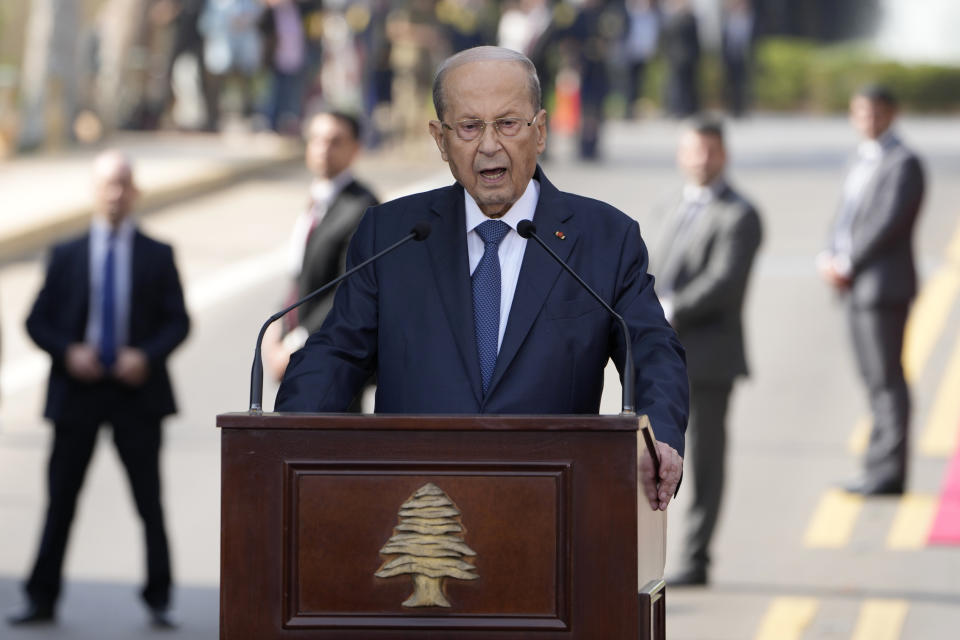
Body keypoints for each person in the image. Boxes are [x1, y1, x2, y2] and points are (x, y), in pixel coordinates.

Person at [275, 46, 688, 512]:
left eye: (509, 124)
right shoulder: (393, 235)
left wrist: (661, 438)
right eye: (469, 127)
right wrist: (282, 439)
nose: (490, 145)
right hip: (414, 520)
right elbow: (335, 353)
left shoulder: (605, 238)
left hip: (556, 511)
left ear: (541, 131)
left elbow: (654, 350)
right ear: (440, 138)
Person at [8, 151, 190, 628]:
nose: (115, 193)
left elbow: (178, 321)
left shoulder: (158, 253)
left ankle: (160, 597)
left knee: (148, 502)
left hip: (137, 393)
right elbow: (36, 320)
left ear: (135, 191)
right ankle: (41, 596)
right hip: (77, 392)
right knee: (61, 501)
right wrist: (68, 352)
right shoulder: (66, 253)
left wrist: (144, 356)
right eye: (107, 184)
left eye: (124, 184)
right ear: (94, 190)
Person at [652, 116, 762, 586]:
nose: (700, 159)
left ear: (724, 155)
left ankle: (697, 557)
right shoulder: (673, 203)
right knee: (654, 455)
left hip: (710, 356)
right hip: (663, 356)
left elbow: (723, 282)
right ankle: (647, 553)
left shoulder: (741, 214)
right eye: (693, 150)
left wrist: (670, 307)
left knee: (705, 459)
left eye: (709, 151)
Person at [818, 85, 925, 496]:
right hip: (856, 286)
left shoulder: (904, 162)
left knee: (886, 379)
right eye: (861, 112)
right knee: (871, 378)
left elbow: (887, 223)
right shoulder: (858, 159)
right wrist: (829, 254)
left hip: (883, 286)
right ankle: (875, 464)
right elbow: (845, 217)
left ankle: (889, 471)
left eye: (877, 112)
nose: (869, 120)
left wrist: (848, 262)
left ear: (892, 113)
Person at [264, 110, 379, 390]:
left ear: (355, 149)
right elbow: (299, 277)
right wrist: (276, 327)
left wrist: (295, 343)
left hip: (334, 357)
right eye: (315, 139)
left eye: (334, 141)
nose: (322, 149)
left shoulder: (362, 207)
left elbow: (348, 290)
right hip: (301, 352)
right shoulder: (318, 200)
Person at [661, 0, 700, 118]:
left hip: (686, 57)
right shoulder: (673, 18)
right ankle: (678, 108)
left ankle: (688, 108)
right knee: (677, 84)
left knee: (687, 84)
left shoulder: (689, 19)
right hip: (676, 57)